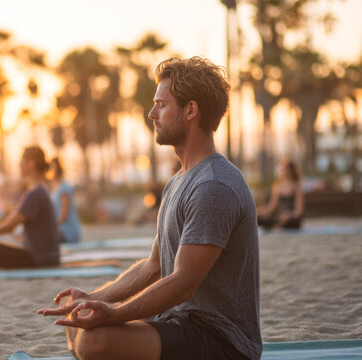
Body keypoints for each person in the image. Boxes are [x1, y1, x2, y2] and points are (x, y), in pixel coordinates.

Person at [37, 57, 262, 360]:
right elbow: (153, 266)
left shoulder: (213, 186)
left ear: (190, 110)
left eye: (161, 105)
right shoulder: (178, 182)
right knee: (78, 321)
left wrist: (113, 316)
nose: (151, 113)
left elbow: (182, 282)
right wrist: (95, 298)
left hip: (219, 341)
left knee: (95, 342)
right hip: (178, 322)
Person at [257, 158, 304, 230]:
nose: (284, 172)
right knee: (258, 219)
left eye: (286, 169)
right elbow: (271, 207)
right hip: (280, 218)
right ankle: (277, 226)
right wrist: (259, 211)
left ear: (291, 171)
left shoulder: (297, 187)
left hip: (292, 219)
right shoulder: (277, 186)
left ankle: (277, 226)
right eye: (282, 170)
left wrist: (289, 215)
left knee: (287, 221)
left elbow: (298, 212)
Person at [49, 158, 81, 243]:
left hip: (67, 231)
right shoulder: (55, 188)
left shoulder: (64, 188)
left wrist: (51, 226)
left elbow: (64, 214)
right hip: (60, 229)